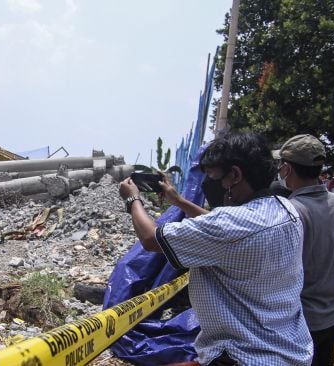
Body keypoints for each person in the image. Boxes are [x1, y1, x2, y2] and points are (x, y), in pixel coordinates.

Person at [119, 131, 313, 365]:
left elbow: (151, 239)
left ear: (235, 174)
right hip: (289, 350)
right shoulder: (286, 210)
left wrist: (133, 200)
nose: (212, 184)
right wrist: (179, 202)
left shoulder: (230, 226)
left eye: (213, 176)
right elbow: (222, 226)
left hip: (244, 356)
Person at [277, 134, 334, 366]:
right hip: (333, 316)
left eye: (281, 165)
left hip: (303, 322)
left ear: (287, 168)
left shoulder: (293, 211)